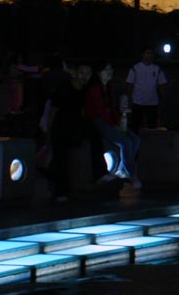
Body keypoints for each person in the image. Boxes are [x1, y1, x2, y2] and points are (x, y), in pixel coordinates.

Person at [49, 63, 115, 200]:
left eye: (87, 73)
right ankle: (60, 191)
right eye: (82, 72)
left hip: (77, 124)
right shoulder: (65, 87)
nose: (84, 76)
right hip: (62, 125)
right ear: (76, 73)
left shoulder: (86, 90)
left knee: (95, 135)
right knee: (61, 155)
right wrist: (49, 131)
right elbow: (53, 110)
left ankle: (101, 173)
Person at [86, 61, 141, 187]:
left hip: (110, 120)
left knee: (136, 139)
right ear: (99, 72)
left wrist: (119, 122)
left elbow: (112, 108)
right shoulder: (95, 89)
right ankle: (132, 174)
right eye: (106, 69)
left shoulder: (109, 87)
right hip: (98, 121)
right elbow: (100, 111)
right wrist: (114, 125)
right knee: (125, 141)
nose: (109, 72)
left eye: (111, 69)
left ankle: (122, 168)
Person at [126, 48, 167, 132]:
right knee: (135, 126)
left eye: (151, 53)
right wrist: (129, 99)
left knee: (152, 127)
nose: (150, 55)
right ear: (143, 54)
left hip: (152, 102)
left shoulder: (157, 69)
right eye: (147, 53)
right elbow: (129, 85)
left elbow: (162, 86)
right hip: (138, 101)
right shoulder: (135, 68)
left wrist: (164, 101)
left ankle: (151, 144)